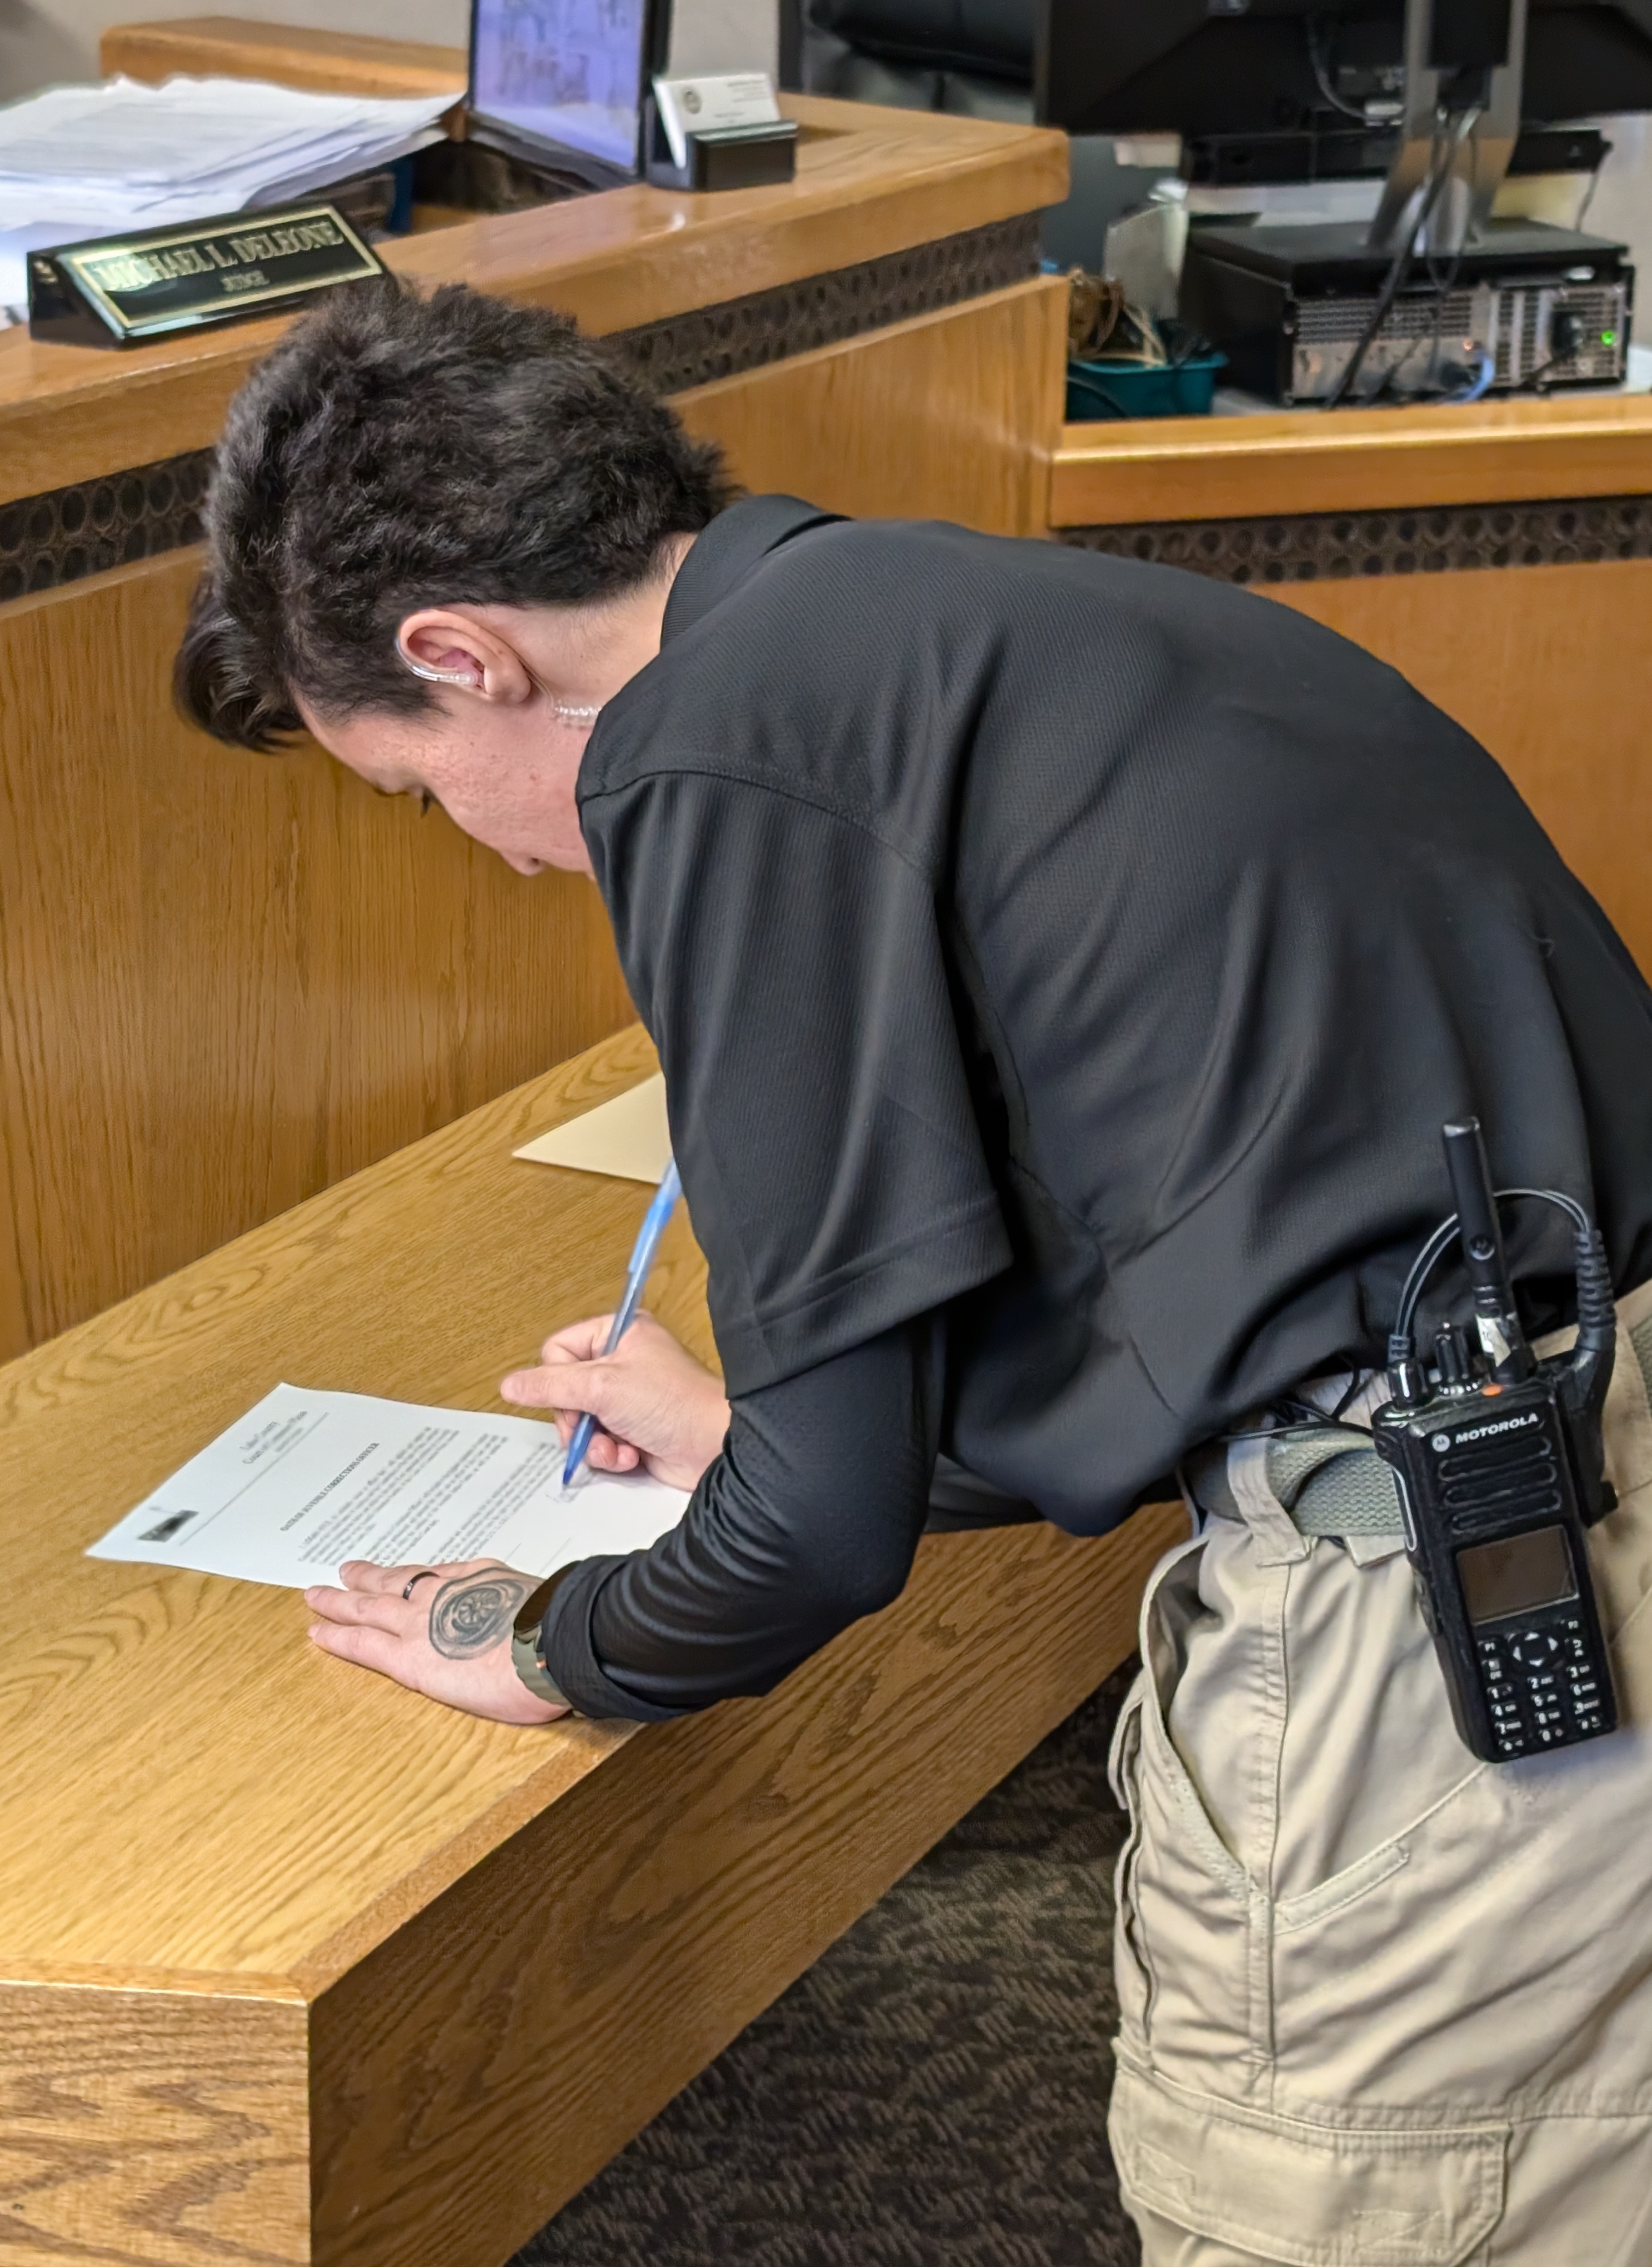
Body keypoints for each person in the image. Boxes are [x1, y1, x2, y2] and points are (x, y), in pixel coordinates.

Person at [177, 279, 1652, 2265]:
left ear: (462, 653)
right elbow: (1207, 1255)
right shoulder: (963, 617)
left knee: (1352, 2207)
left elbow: (819, 1547)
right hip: (1581, 1446)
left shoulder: (713, 751)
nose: (509, 855)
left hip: (1435, 1614)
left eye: (423, 791)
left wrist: (531, 1642)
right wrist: (757, 1423)